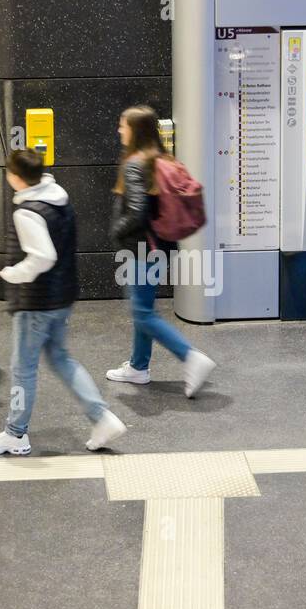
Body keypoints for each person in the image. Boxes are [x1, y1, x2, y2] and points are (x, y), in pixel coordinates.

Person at [0, 148, 126, 456]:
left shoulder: (27, 212)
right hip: (61, 296)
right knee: (60, 358)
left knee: (22, 369)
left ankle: (15, 434)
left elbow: (43, 256)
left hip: (36, 302)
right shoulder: (59, 197)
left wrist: (13, 274)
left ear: (15, 177)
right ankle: (102, 418)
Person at [106, 105, 216, 397]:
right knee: (143, 308)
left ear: (135, 131)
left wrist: (116, 230)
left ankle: (191, 357)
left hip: (142, 249)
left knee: (142, 313)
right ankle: (138, 367)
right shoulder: (162, 159)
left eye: (123, 125)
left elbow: (139, 212)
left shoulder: (134, 164)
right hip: (162, 247)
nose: (120, 130)